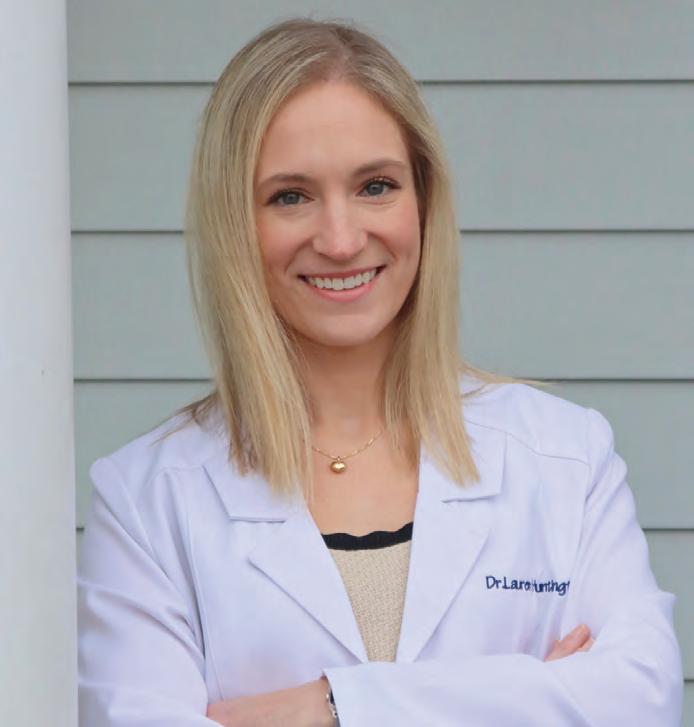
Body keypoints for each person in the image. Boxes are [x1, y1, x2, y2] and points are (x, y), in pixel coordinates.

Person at [77, 16, 683, 726]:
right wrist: (526, 696)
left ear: (423, 201)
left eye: (375, 186)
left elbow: (640, 701)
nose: (341, 240)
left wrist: (336, 706)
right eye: (290, 196)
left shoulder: (565, 459)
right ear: (233, 222)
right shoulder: (147, 501)